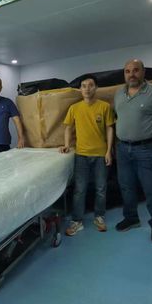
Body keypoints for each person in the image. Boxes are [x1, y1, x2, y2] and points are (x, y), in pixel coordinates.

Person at [114, 59, 152, 244]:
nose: (131, 74)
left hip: (148, 149)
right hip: (123, 149)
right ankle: (131, 218)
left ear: (143, 72)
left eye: (135, 70)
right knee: (126, 187)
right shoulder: (119, 94)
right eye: (127, 71)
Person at [59, 74, 115, 235]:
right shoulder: (74, 108)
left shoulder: (104, 107)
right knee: (79, 189)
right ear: (80, 89)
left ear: (96, 88)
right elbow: (68, 128)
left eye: (90, 85)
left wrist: (108, 151)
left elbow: (110, 128)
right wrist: (66, 145)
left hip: (100, 155)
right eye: (84, 86)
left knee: (101, 188)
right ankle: (77, 221)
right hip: (81, 155)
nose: (87, 89)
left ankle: (99, 217)